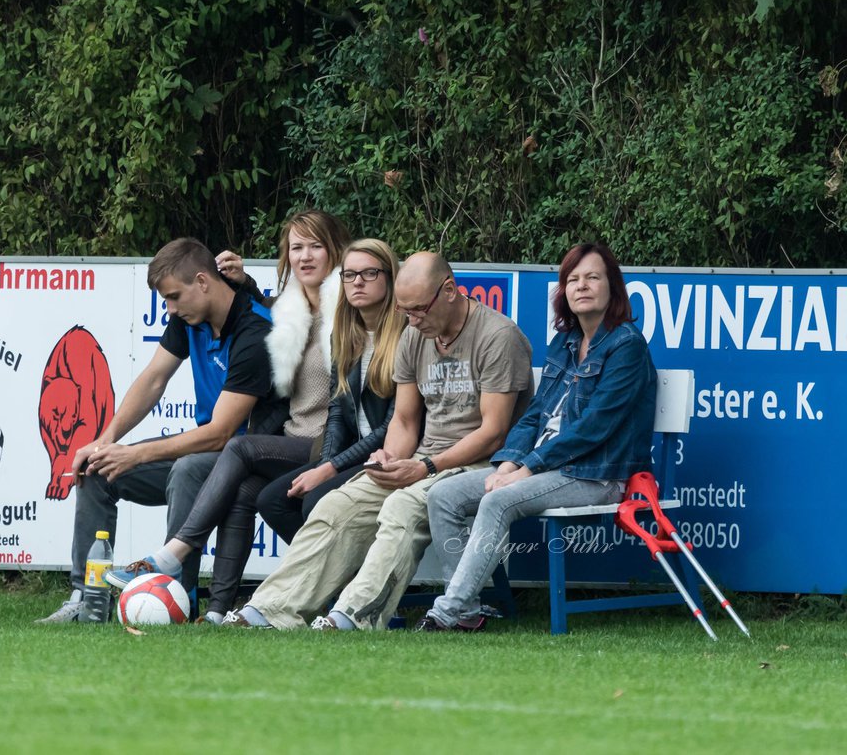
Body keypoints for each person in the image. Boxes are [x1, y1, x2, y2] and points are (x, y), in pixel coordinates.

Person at [226, 251, 533, 630]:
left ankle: (356, 614)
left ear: (450, 290)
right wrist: (391, 459)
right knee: (337, 505)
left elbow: (493, 432)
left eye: (419, 309)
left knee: (401, 508)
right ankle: (271, 609)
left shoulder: (497, 336)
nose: (412, 320)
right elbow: (404, 420)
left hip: (482, 466)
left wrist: (424, 466)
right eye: (405, 311)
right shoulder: (414, 335)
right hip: (424, 459)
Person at [109, 237, 408, 625]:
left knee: (238, 451)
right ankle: (217, 612)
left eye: (314, 246)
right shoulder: (313, 320)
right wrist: (245, 284)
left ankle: (172, 556)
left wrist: (330, 465)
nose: (304, 256)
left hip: (344, 449)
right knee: (255, 493)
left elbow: (392, 423)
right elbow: (336, 404)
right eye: (295, 247)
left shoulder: (370, 324)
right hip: (311, 443)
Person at [37, 237, 282, 623]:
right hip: (212, 451)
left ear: (203, 282)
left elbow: (220, 434)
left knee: (187, 469)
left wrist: (134, 453)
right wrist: (105, 442)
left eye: (173, 297)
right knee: (98, 469)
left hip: (249, 457)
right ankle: (85, 600)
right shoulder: (191, 319)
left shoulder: (255, 331)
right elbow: (153, 379)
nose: (169, 308)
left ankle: (177, 602)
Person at [419, 243, 655, 631]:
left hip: (595, 474)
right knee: (443, 495)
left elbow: (594, 428)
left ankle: (448, 613)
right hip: (546, 467)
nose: (582, 286)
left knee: (497, 501)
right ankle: (466, 609)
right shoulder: (563, 343)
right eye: (572, 280)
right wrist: (510, 461)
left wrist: (524, 470)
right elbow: (534, 414)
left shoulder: (626, 346)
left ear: (612, 287)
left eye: (593, 277)